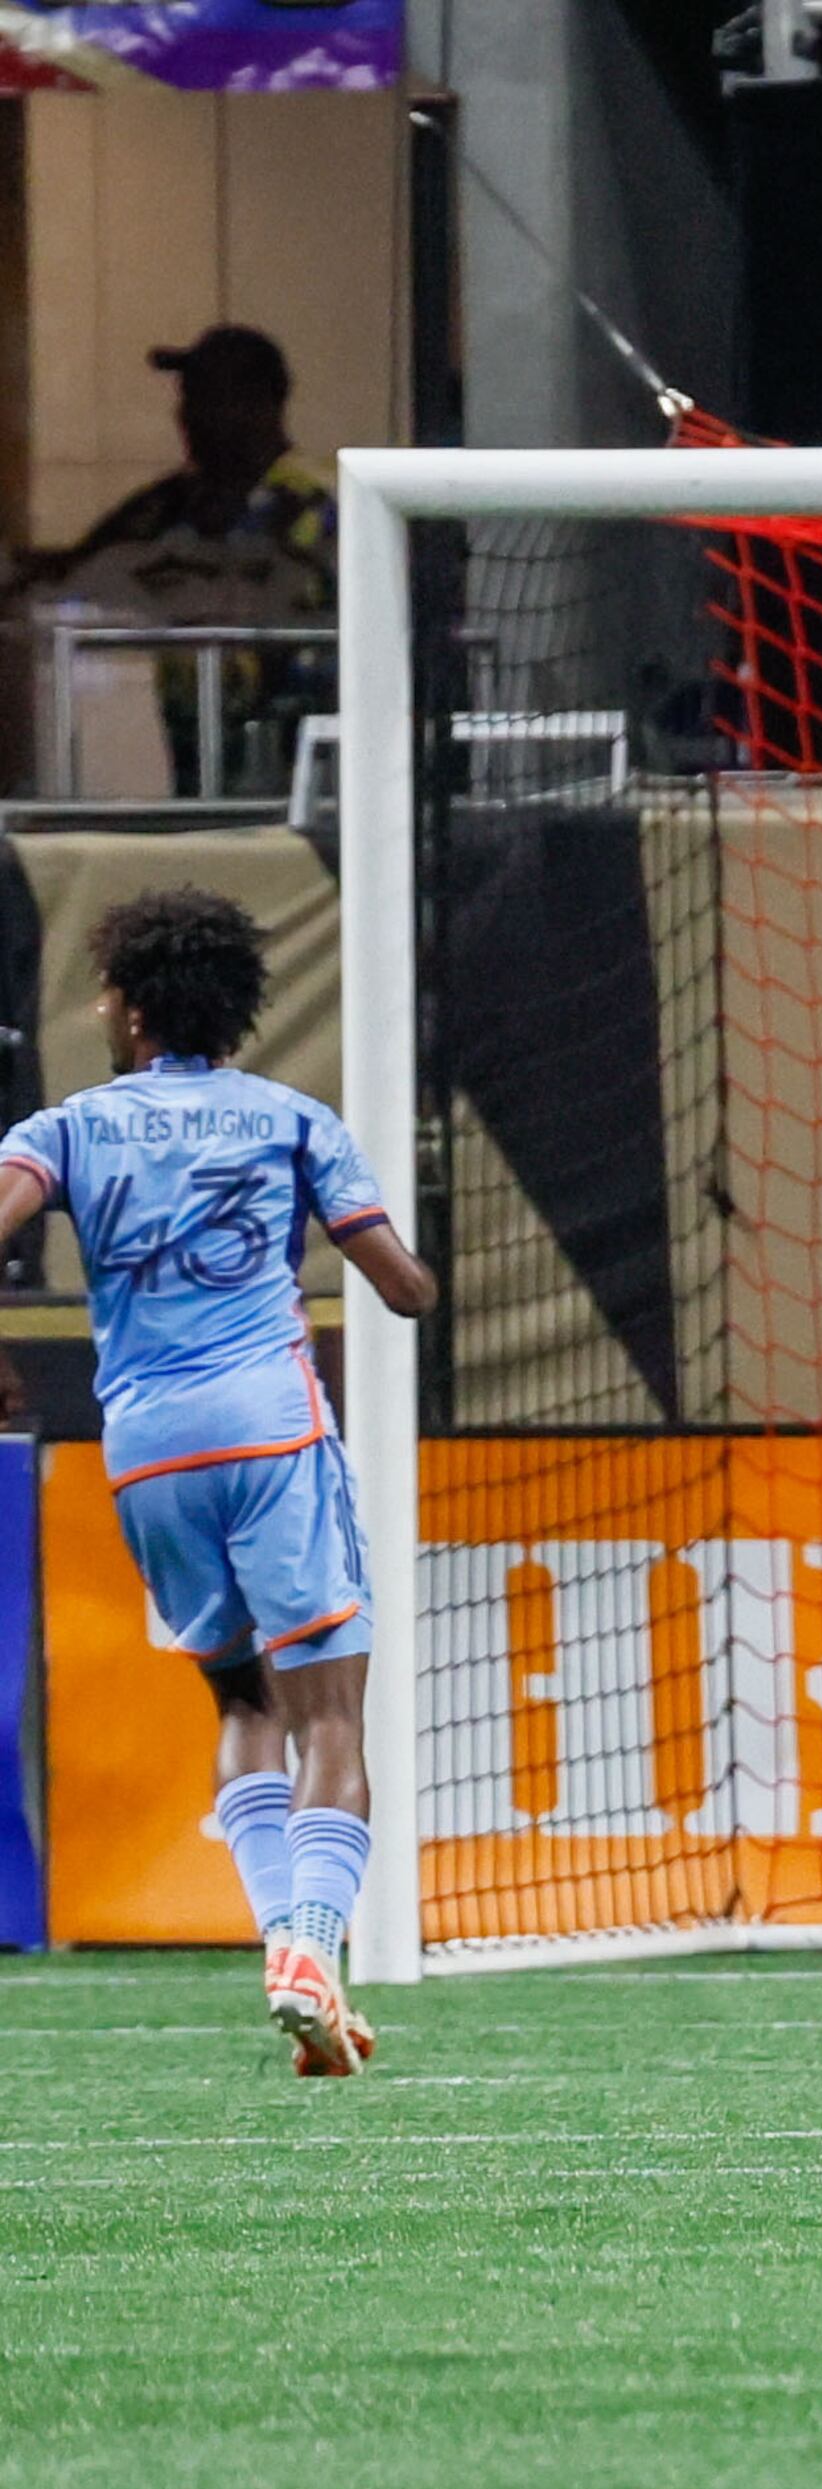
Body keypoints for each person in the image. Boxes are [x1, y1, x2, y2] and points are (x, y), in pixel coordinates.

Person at [0, 890, 437, 2074]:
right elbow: (401, 1288)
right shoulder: (293, 1119)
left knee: (240, 1704)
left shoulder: (67, 1127)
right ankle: (307, 1938)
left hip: (148, 1450)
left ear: (134, 1007)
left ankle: (293, 1959)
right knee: (331, 1714)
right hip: (271, 1433)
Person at [25, 328, 334, 795]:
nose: (185, 416)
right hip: (197, 752)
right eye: (187, 399)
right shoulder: (173, 502)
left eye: (206, 397)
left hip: (297, 754)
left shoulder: (316, 500)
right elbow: (78, 570)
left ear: (261, 404)